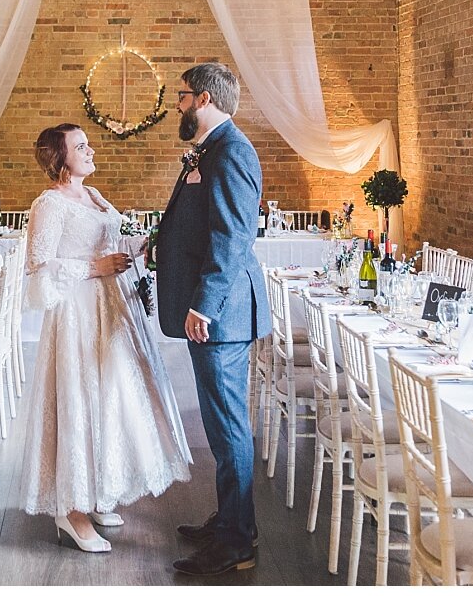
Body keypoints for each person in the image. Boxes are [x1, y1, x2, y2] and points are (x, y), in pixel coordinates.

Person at [18, 123, 192, 554]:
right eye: (81, 146)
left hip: (111, 308)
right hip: (77, 313)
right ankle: (71, 511)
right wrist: (93, 268)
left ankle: (94, 495)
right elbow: (37, 266)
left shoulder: (93, 196)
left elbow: (116, 241)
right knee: (79, 401)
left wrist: (149, 245)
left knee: (110, 399)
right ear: (60, 159)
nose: (90, 150)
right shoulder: (50, 203)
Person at [153, 61, 269, 577]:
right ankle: (230, 519)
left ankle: (237, 542)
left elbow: (232, 237)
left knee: (228, 428)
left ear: (202, 97)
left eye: (180, 96)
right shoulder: (212, 148)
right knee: (222, 426)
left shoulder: (233, 151)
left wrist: (205, 304)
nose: (176, 105)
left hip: (220, 314)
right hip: (213, 310)